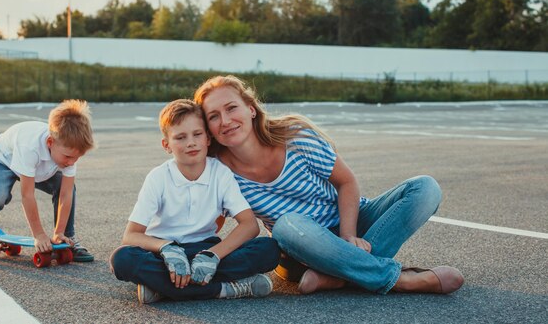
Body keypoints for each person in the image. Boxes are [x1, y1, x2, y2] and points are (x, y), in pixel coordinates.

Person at [194, 75, 464, 295]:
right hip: (301, 247)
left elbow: (346, 182)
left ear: (250, 109)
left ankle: (337, 276)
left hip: (353, 222)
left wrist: (348, 236)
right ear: (208, 128)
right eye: (214, 116)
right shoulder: (218, 171)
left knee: (425, 188)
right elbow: (209, 223)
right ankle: (402, 280)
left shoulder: (294, 137)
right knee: (286, 224)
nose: (226, 121)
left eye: (231, 108)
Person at [109, 99, 280, 304]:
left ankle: (162, 288)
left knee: (269, 249)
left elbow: (249, 225)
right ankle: (225, 289)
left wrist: (213, 256)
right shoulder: (158, 177)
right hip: (164, 254)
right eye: (180, 137)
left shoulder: (221, 173)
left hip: (205, 250)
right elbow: (131, 235)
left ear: (208, 138)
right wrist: (166, 248)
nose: (190, 142)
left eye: (197, 134)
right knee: (122, 259)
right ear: (167, 145)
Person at [0, 99, 95, 262]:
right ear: (50, 142)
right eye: (68, 157)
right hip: (3, 160)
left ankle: (66, 237)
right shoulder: (30, 147)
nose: (71, 162)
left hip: (36, 167)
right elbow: (27, 195)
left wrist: (59, 232)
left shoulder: (68, 151)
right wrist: (38, 234)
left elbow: (66, 194)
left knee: (65, 186)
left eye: (77, 157)